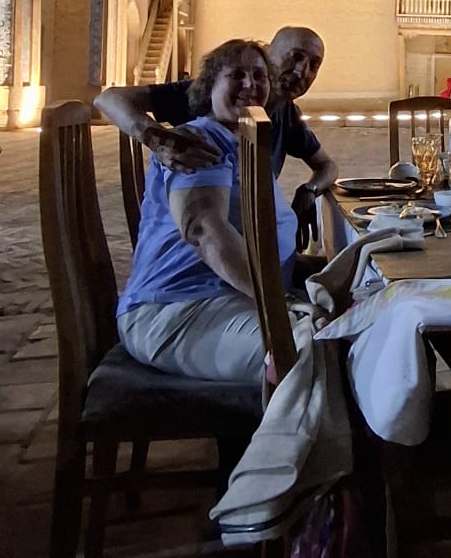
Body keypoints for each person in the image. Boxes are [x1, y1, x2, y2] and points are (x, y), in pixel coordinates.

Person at [117, 39, 307, 381]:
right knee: (309, 351)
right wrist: (282, 300)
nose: (250, 84)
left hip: (230, 299)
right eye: (237, 75)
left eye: (259, 76)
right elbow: (204, 230)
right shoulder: (197, 143)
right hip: (177, 311)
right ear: (208, 87)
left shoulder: (242, 141)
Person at [96, 24, 337, 243]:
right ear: (267, 56)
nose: (302, 71)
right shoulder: (215, 96)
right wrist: (157, 138)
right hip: (196, 250)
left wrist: (309, 191)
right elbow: (108, 99)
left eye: (314, 65)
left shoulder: (286, 113)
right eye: (295, 57)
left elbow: (327, 165)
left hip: (247, 245)